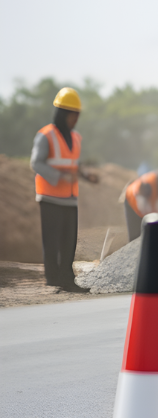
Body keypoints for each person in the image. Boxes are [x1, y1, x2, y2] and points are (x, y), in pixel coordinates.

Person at [30, 87, 99, 292]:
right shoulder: (45, 136)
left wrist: (86, 175)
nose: (75, 119)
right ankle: (53, 280)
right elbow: (36, 163)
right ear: (62, 113)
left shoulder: (76, 137)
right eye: (72, 115)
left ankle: (67, 280)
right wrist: (58, 177)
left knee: (69, 242)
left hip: (70, 198)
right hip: (50, 197)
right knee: (51, 242)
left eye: (77, 115)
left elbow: (72, 164)